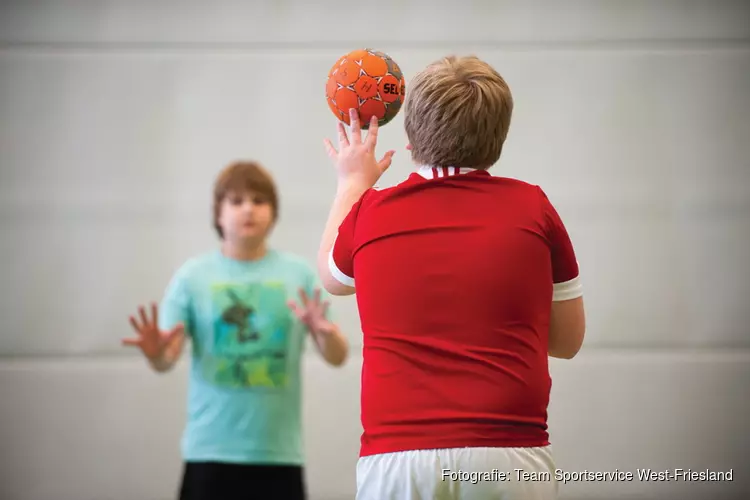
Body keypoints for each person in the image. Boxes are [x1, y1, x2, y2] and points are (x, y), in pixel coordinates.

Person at [317, 56, 586, 499]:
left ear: (410, 135)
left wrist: (351, 184)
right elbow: (567, 341)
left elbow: (333, 277)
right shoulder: (533, 208)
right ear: (498, 137)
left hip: (397, 457)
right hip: (509, 451)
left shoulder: (371, 211)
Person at [122, 160, 350, 500]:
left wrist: (324, 332)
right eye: (237, 201)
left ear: (273, 212)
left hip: (278, 454)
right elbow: (166, 358)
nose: (249, 209)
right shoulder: (192, 277)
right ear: (218, 213)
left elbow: (338, 355)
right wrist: (156, 354)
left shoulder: (299, 275)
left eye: (259, 200)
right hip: (209, 452)